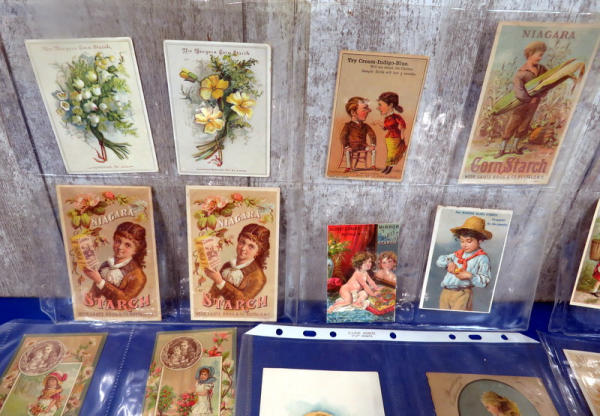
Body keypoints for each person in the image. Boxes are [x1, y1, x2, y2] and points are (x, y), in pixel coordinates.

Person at [495, 41, 548, 158]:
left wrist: (541, 95)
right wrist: (528, 100)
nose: (540, 58)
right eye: (539, 55)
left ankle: (514, 147)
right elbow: (519, 91)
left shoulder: (542, 69)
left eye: (542, 55)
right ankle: (502, 149)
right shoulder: (521, 73)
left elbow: (547, 83)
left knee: (524, 125)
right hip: (521, 104)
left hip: (533, 104)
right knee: (512, 124)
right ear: (530, 54)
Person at [435, 216, 492, 311]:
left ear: (480, 240)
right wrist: (449, 263)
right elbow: (440, 260)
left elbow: (484, 281)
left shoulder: (482, 258)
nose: (464, 245)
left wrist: (470, 276)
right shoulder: (457, 254)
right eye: (462, 241)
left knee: (457, 317)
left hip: (463, 294)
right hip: (445, 292)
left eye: (469, 241)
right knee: (442, 316)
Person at [83, 221, 148, 304]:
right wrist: (90, 298)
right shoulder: (105, 265)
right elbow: (95, 293)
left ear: (136, 250)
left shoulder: (138, 276)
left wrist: (99, 281)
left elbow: (124, 300)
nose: (120, 247)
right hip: (100, 310)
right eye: (118, 241)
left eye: (127, 245)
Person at [204, 223, 270, 303]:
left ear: (258, 252)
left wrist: (220, 281)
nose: (243, 248)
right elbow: (211, 297)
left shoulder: (258, 277)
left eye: (251, 246)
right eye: (242, 242)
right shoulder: (227, 265)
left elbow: (243, 302)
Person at [339, 96, 377, 172]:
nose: (369, 111)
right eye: (365, 108)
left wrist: (373, 144)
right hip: (352, 146)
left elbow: (372, 134)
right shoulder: (348, 126)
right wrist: (346, 146)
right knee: (347, 151)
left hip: (363, 146)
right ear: (353, 112)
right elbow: (342, 136)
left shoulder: (365, 126)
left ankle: (373, 165)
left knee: (373, 150)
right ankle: (348, 167)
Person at [375, 92, 406, 175]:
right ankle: (387, 167)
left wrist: (402, 135)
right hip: (389, 138)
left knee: (392, 154)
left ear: (390, 105)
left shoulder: (396, 117)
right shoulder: (386, 118)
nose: (378, 108)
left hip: (395, 137)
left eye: (380, 105)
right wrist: (379, 123)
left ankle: (389, 168)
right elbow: (385, 128)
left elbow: (403, 125)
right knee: (390, 153)